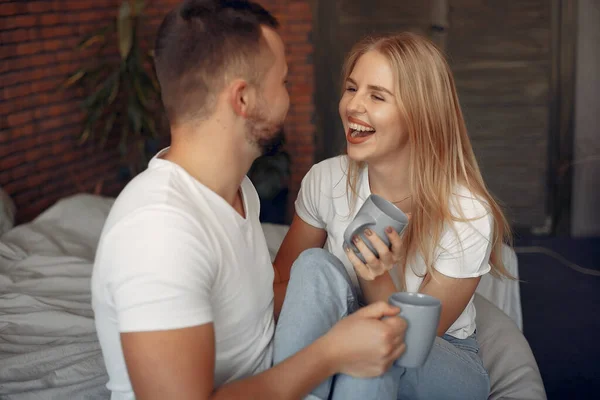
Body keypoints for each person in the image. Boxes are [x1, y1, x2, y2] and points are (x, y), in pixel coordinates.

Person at [90, 1, 408, 399]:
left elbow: (250, 311)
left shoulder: (238, 192)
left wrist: (352, 299)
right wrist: (331, 353)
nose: (289, 99)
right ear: (243, 99)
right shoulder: (159, 232)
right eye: (284, 83)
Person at [272, 32, 515, 400]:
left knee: (372, 357)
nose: (353, 105)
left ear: (420, 113)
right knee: (313, 264)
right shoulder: (326, 180)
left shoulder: (468, 212)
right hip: (348, 329)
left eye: (376, 96)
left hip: (438, 356)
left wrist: (376, 276)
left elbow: (412, 343)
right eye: (352, 88)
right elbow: (282, 288)